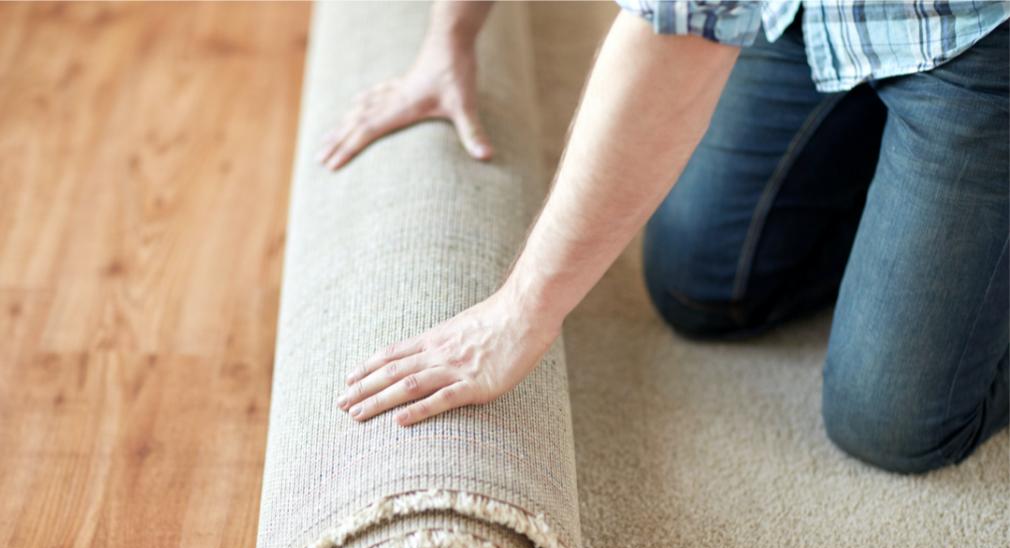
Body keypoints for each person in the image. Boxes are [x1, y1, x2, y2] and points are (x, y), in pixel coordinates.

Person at [319, 1, 1010, 475]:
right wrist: (450, 40)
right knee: (701, 287)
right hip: (822, 12)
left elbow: (677, 34)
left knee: (891, 422)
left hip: (985, 31)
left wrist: (520, 311)